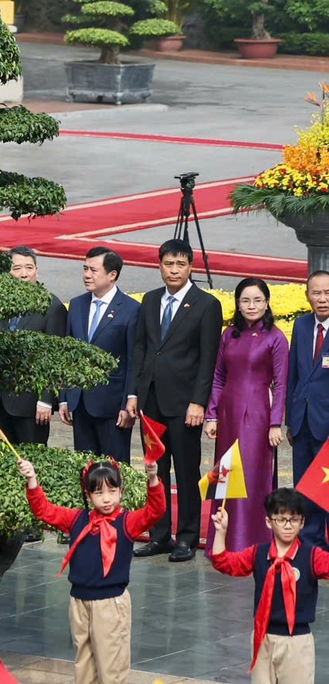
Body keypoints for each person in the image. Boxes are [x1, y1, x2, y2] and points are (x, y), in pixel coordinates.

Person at [20, 455, 166, 684]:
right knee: (84, 667)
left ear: (121, 492)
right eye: (99, 492)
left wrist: (153, 479)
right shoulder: (77, 520)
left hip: (109, 604)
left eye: (112, 491)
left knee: (111, 670)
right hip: (79, 601)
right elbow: (44, 511)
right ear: (88, 495)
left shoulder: (127, 522)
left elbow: (156, 511)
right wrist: (32, 480)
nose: (106, 498)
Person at [209, 493, 320, 684]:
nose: (288, 525)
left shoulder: (311, 556)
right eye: (281, 519)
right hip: (263, 639)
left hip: (296, 641)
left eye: (294, 519)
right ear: (268, 521)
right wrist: (220, 532)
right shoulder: (259, 554)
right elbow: (225, 562)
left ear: (302, 522)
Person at [131, 238, 222, 561]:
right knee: (154, 468)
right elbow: (140, 349)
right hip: (151, 400)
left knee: (185, 470)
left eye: (180, 264)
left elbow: (208, 358)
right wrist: (134, 394)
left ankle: (186, 537)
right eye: (168, 264)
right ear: (159, 266)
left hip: (185, 404)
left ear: (191, 267)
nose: (173, 270)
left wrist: (199, 402)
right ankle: (159, 535)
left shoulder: (206, 304)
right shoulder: (151, 300)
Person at [205, 278, 289, 557]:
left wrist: (276, 423)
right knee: (225, 476)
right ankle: (221, 541)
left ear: (267, 303)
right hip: (228, 414)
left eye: (257, 300)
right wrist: (212, 415)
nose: (251, 306)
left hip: (258, 415)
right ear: (238, 304)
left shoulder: (276, 337)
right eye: (245, 300)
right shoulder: (229, 335)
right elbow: (218, 377)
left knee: (253, 476)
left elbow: (281, 384)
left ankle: (251, 542)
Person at [62, 245, 140, 463]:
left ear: (112, 274)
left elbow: (134, 360)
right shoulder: (77, 305)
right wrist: (64, 397)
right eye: (85, 268)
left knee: (114, 469)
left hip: (113, 406)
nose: (87, 275)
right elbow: (68, 354)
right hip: (80, 403)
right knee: (86, 468)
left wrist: (128, 402)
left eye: (93, 270)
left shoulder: (131, 309)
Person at [0, 246, 65, 445]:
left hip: (31, 405)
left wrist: (46, 399)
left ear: (36, 271)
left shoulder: (52, 307)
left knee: (32, 460)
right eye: (17, 268)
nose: (23, 274)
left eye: (29, 268)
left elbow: (54, 358)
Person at [284, 269, 329, 546]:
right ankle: (311, 546)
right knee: (306, 487)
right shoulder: (301, 325)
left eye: (328, 293)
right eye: (317, 293)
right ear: (307, 295)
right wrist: (290, 419)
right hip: (302, 423)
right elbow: (293, 377)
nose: (323, 299)